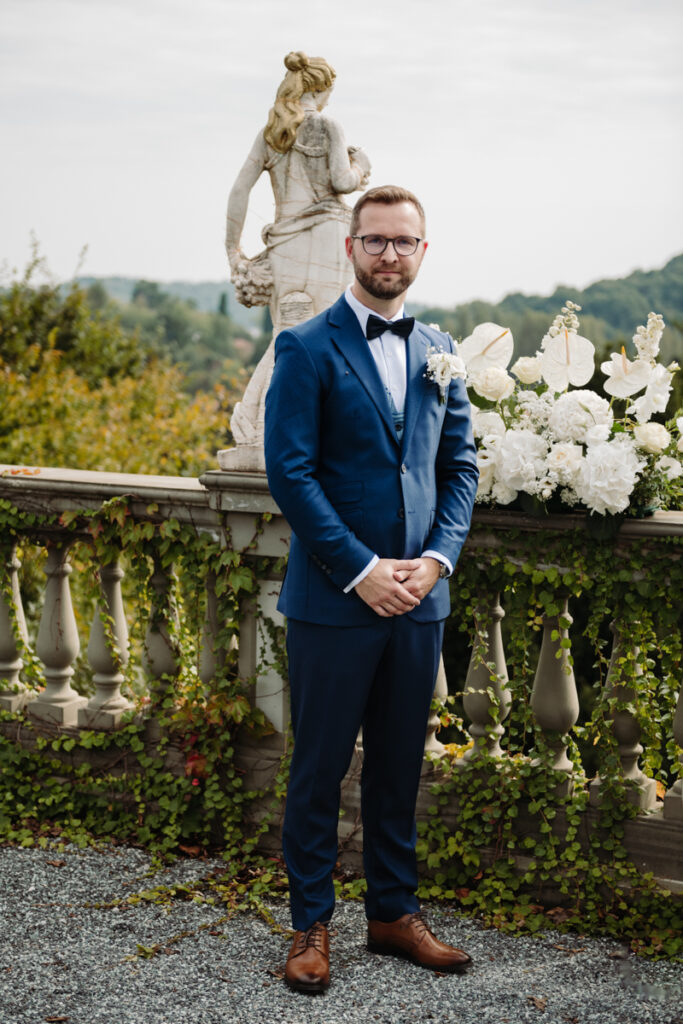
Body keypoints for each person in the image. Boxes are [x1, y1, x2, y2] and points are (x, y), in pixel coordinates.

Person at [264, 185, 479, 994]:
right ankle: (308, 924)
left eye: (403, 243)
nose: (389, 254)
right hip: (333, 599)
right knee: (318, 767)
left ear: (423, 253)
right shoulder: (306, 347)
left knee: (398, 765)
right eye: (375, 240)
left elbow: (458, 468)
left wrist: (434, 562)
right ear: (351, 247)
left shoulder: (439, 346)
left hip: (420, 599)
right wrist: (360, 569)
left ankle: (392, 914)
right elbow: (291, 472)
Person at [223, 51, 370, 463]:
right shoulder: (327, 126)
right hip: (325, 238)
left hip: (286, 244)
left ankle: (259, 429)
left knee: (286, 336)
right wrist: (361, 167)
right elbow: (343, 180)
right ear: (320, 89)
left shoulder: (273, 132)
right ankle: (279, 432)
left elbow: (239, 191)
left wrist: (233, 251)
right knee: (326, 338)